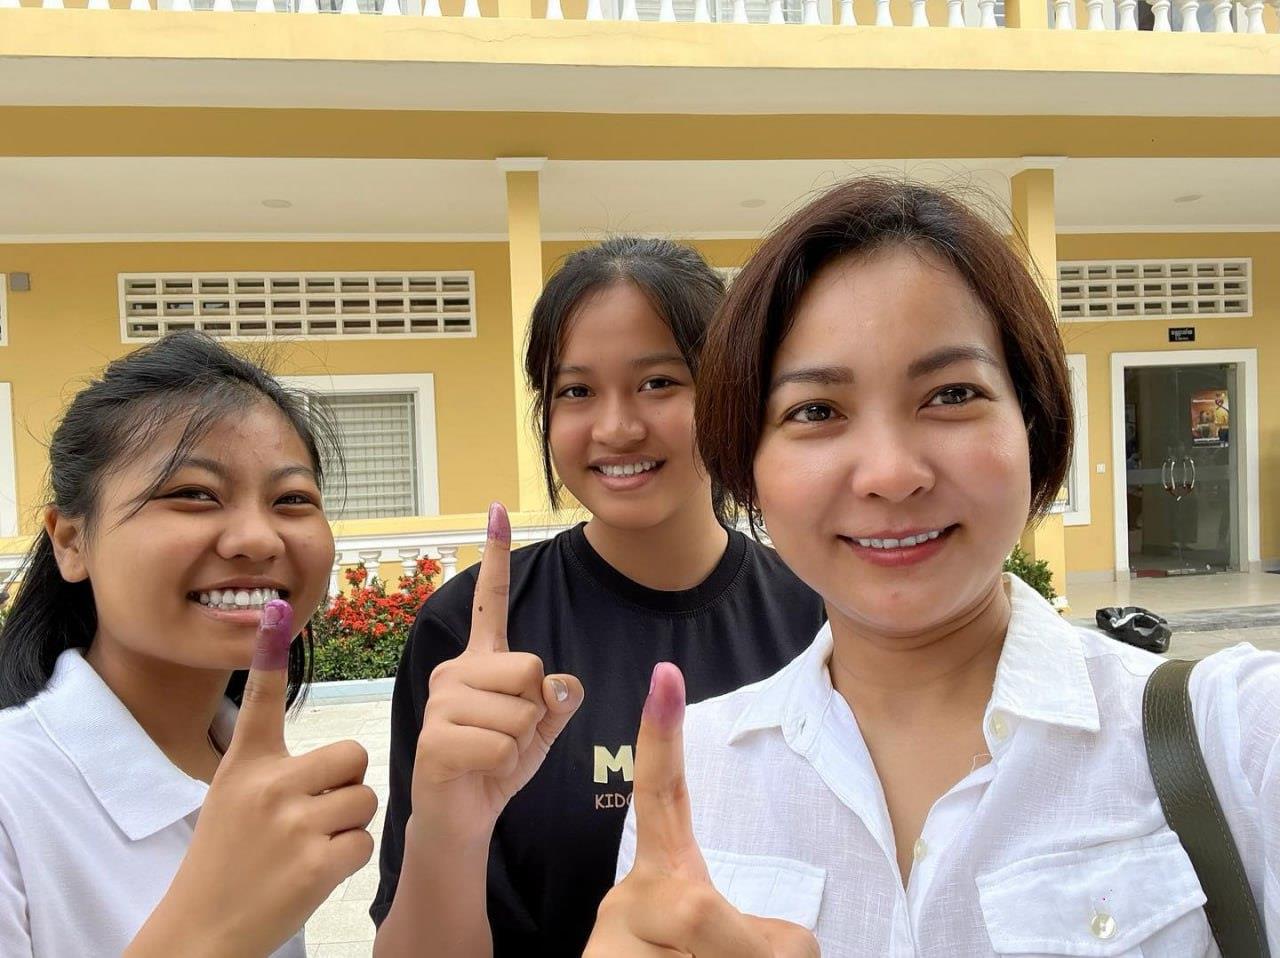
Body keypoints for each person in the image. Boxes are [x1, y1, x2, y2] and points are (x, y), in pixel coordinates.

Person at [601, 178, 1279, 954]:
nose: (891, 474)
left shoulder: (1231, 740)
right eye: (816, 411)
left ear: (1032, 425)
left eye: (952, 394)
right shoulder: (692, 779)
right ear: (748, 466)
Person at [372, 237, 826, 956]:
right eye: (576, 391)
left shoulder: (820, 617)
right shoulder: (468, 634)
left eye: (659, 382)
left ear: (728, 393)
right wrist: (447, 832)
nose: (616, 428)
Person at [0, 332, 377, 957]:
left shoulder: (248, 768)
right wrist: (215, 929)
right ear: (70, 540)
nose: (258, 539)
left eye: (292, 500)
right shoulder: (14, 799)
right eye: (193, 494)